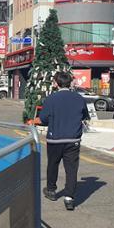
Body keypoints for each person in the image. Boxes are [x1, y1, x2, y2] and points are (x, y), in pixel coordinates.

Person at [34, 71, 90, 211]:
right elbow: (85, 116)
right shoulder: (79, 98)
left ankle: (51, 190)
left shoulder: (51, 99)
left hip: (55, 138)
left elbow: (44, 119)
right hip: (73, 139)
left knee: (53, 164)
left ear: (56, 83)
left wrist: (32, 121)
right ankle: (69, 198)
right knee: (71, 168)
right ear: (69, 82)